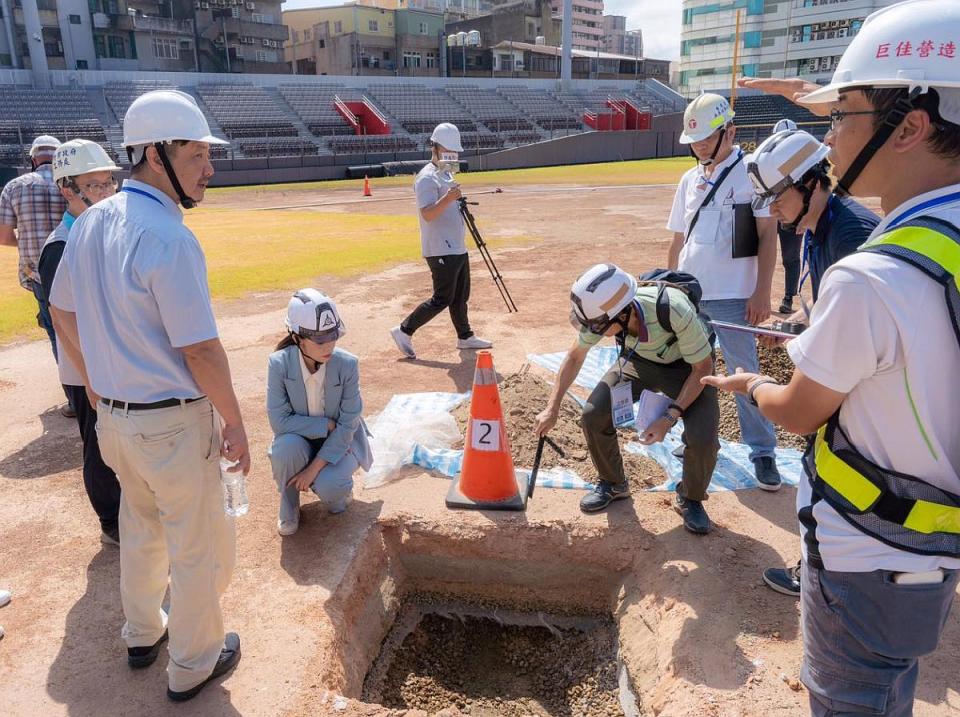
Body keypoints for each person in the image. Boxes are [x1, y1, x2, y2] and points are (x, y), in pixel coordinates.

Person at [704, 1, 960, 713]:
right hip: (927, 541)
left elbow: (803, 408)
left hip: (867, 550)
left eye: (840, 115)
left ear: (909, 124)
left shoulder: (873, 268)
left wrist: (755, 384)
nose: (830, 137)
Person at [48, 89, 249, 703]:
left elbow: (61, 309)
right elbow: (201, 351)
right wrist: (237, 421)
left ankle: (142, 633)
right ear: (156, 155)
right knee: (199, 548)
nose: (209, 168)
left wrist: (106, 381)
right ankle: (193, 663)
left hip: (115, 421)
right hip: (170, 423)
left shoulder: (92, 221)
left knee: (140, 530)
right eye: (196, 155)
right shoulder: (169, 238)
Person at [745, 128, 880, 597]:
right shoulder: (818, 227)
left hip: (858, 386)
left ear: (810, 183)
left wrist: (761, 382)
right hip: (845, 375)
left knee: (827, 481)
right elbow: (827, 305)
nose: (772, 209)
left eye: (777, 196)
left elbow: (865, 322)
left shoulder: (852, 235)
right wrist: (796, 323)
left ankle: (824, 578)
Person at [534, 264, 720, 533]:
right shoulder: (602, 315)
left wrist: (669, 417)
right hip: (638, 362)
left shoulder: (674, 309)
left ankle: (690, 498)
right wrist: (552, 407)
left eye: (597, 326)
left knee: (704, 439)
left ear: (623, 312)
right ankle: (613, 483)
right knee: (593, 413)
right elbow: (575, 356)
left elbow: (703, 368)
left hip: (688, 369)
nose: (593, 332)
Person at [666, 93, 783, 491]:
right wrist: (669, 285)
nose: (698, 147)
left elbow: (768, 235)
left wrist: (761, 292)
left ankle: (763, 451)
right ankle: (697, 438)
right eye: (693, 141)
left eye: (705, 139)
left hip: (735, 296)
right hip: (691, 296)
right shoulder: (689, 178)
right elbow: (679, 238)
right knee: (694, 371)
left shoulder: (751, 172)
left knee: (743, 372)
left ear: (729, 131)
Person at [37, 139, 123, 546]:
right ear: (67, 188)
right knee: (98, 444)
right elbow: (60, 317)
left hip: (112, 358)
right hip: (84, 365)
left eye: (109, 183)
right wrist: (90, 377)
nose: (107, 193)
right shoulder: (59, 246)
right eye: (97, 185)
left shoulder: (106, 228)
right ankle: (111, 522)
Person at [267, 289, 373, 536]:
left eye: (333, 336)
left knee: (331, 488)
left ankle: (337, 488)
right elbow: (279, 422)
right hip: (300, 441)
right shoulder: (278, 363)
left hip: (340, 443)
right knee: (285, 449)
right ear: (297, 338)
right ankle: (289, 506)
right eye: (319, 340)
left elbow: (347, 425)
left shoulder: (348, 364)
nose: (329, 346)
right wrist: (324, 424)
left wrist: (312, 470)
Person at [390, 122, 491, 359]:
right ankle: (404, 330)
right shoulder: (426, 178)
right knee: (443, 297)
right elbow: (427, 213)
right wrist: (448, 199)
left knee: (460, 296)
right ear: (435, 148)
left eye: (455, 152)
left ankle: (465, 336)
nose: (453, 156)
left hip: (456, 244)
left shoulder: (446, 174)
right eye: (449, 151)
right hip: (440, 248)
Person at [0, 135, 73, 415]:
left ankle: (73, 396)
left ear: (33, 159)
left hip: (38, 272)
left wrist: (31, 241)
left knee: (57, 332)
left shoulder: (14, 187)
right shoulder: (69, 183)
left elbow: (5, 237)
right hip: (75, 264)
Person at [770, 119, 803, 314]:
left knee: (790, 257)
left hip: (792, 215)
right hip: (768, 213)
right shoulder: (767, 159)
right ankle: (754, 293)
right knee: (758, 254)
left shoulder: (804, 163)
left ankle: (789, 297)